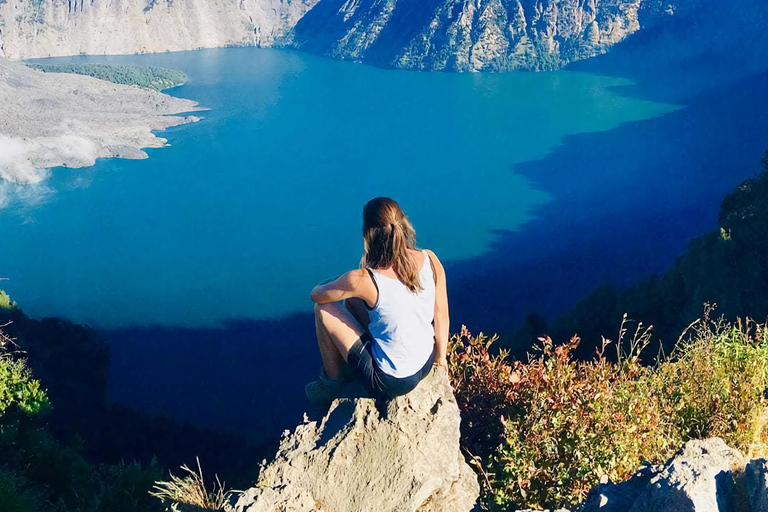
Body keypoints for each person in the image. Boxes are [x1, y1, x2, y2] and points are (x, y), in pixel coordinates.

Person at [305, 197, 449, 405]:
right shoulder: (430, 259)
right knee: (353, 301)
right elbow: (441, 315)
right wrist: (440, 359)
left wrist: (344, 280)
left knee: (324, 309)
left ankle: (331, 381)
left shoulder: (363, 279)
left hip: (390, 381)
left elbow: (317, 295)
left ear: (368, 233)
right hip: (425, 362)